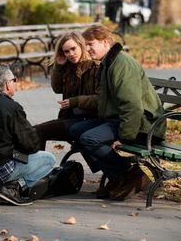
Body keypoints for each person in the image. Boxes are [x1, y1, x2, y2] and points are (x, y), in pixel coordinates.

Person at [69, 25, 167, 200]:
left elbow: (133, 106)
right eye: (86, 45)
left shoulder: (121, 64)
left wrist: (125, 137)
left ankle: (132, 174)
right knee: (75, 130)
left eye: (91, 44)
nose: (87, 49)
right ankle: (119, 178)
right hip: (121, 119)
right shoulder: (109, 62)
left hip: (144, 125)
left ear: (105, 42)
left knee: (89, 138)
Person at [0, 64, 56, 206]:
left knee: (15, 154)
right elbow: (30, 145)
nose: (15, 82)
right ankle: (11, 188)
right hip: (0, 166)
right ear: (7, 84)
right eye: (14, 80)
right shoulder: (11, 107)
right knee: (49, 159)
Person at [34, 31, 100, 150]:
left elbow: (100, 99)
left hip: (89, 119)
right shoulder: (69, 67)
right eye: (66, 51)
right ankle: (36, 165)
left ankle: (38, 166)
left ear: (81, 45)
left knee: (37, 131)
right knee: (34, 130)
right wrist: (59, 67)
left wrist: (75, 101)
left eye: (73, 49)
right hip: (71, 117)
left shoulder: (94, 67)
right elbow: (57, 89)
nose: (71, 54)